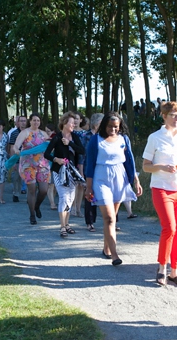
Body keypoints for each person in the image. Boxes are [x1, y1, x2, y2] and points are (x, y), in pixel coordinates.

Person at [142, 102, 177, 286]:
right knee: (169, 228)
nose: (176, 118)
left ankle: (174, 271)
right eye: (173, 114)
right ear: (164, 116)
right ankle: (162, 267)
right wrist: (162, 167)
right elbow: (145, 166)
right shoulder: (155, 137)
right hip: (162, 187)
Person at [84, 112, 141, 266]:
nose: (113, 129)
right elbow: (89, 164)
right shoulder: (96, 140)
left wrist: (135, 180)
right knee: (109, 218)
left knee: (112, 218)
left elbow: (129, 161)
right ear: (104, 125)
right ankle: (115, 255)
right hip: (101, 178)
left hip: (119, 178)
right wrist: (89, 187)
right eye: (110, 126)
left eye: (116, 127)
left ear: (120, 126)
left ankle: (106, 248)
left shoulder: (124, 139)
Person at [45, 112, 86, 238]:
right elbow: (46, 154)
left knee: (70, 198)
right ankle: (62, 226)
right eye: (71, 122)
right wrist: (56, 159)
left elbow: (82, 150)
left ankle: (67, 224)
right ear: (64, 123)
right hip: (58, 171)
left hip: (71, 171)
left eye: (75, 122)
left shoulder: (74, 137)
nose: (74, 124)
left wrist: (70, 143)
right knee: (63, 197)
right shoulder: (56, 137)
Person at [14, 114, 52, 225]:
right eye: (34, 120)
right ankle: (32, 215)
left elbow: (49, 146)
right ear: (30, 121)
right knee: (31, 190)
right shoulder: (25, 133)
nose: (36, 122)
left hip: (42, 164)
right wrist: (16, 150)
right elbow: (16, 146)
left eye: (38, 120)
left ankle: (37, 206)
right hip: (28, 164)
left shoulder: (43, 134)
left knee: (44, 190)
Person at [81, 113, 104, 232]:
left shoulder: (106, 136)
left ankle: (112, 221)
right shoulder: (86, 136)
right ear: (96, 124)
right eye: (102, 122)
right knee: (89, 195)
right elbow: (81, 155)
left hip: (103, 169)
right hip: (88, 168)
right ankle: (89, 222)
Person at [6, 115, 28, 203]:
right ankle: (16, 193)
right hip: (17, 158)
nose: (23, 123)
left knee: (28, 178)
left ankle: (28, 196)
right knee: (16, 178)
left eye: (24, 121)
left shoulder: (29, 132)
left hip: (28, 159)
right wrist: (13, 161)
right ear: (18, 123)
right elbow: (11, 148)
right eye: (21, 121)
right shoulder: (14, 133)